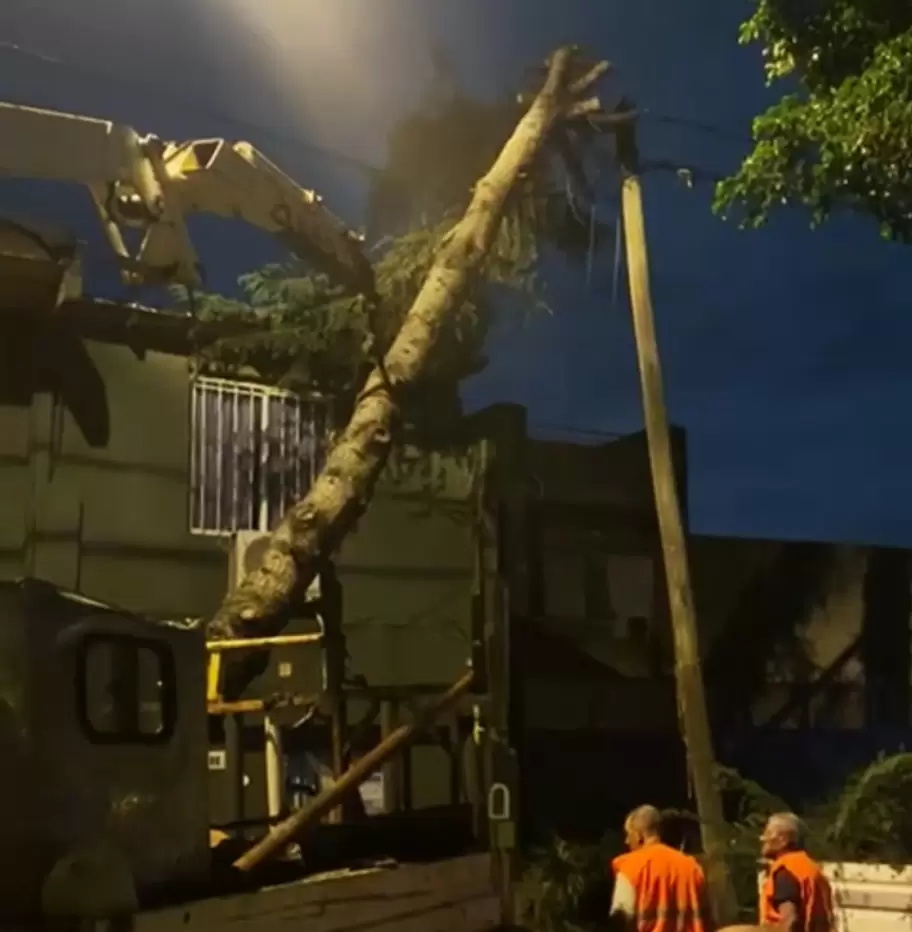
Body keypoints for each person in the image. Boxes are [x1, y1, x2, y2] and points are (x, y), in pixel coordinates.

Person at [610, 804, 714, 932]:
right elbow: (707, 918)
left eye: (628, 834)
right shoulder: (692, 867)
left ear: (639, 836)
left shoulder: (630, 867)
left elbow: (620, 918)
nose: (626, 841)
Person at [758, 813, 834, 932]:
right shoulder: (811, 868)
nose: (762, 838)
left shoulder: (785, 870)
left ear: (782, 839)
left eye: (767, 833)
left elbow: (789, 920)